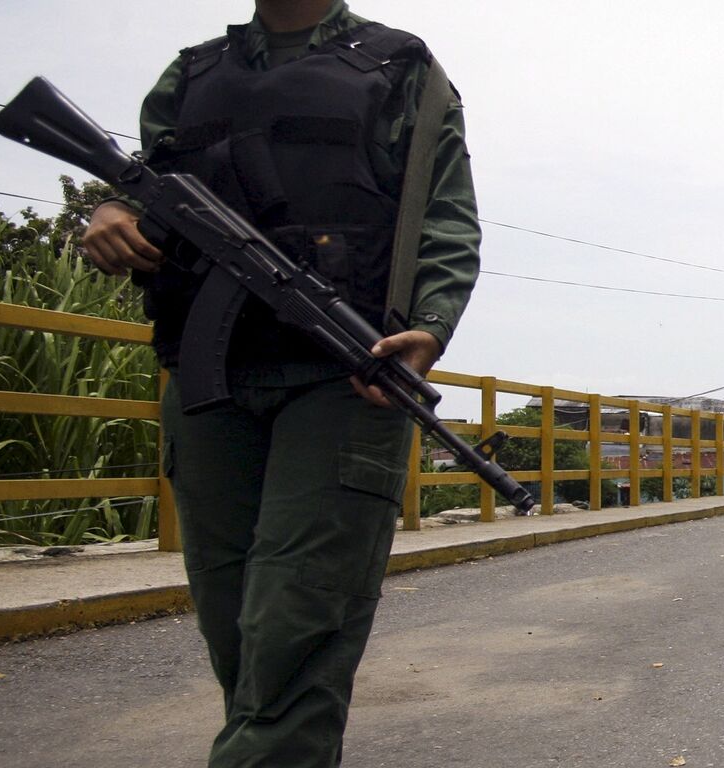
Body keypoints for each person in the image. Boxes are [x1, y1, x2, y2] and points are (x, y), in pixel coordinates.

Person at [76, 1, 479, 765]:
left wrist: (429, 327)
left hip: (345, 376)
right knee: (237, 629)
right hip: (208, 385)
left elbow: (446, 214)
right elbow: (148, 184)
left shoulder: (401, 67)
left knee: (294, 628)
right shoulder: (190, 75)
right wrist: (111, 210)